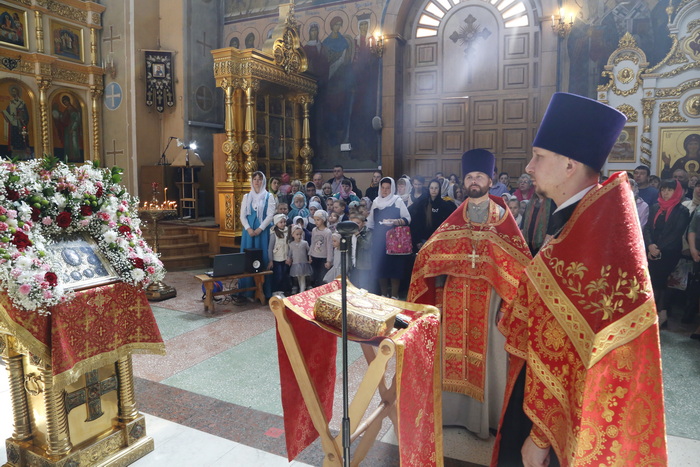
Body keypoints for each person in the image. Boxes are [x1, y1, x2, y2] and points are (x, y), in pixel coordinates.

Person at [494, 92, 667, 466]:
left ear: (570, 166)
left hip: (558, 425)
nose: (529, 165)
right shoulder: (582, 224)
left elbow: (575, 352)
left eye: (539, 157)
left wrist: (540, 438)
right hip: (544, 402)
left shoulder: (594, 240)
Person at [408, 149, 531, 440]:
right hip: (454, 295)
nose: (474, 181)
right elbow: (431, 252)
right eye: (470, 177)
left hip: (489, 299)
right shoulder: (455, 216)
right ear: (464, 181)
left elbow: (521, 262)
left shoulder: (502, 217)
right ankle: (451, 413)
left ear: (490, 180)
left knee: (487, 353)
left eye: (479, 176)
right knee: (451, 352)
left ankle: (484, 418)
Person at [644, 179, 690, 326]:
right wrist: (650, 245)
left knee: (659, 280)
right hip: (652, 250)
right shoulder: (655, 207)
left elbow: (676, 233)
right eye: (663, 189)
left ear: (676, 192)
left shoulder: (682, 210)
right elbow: (648, 229)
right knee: (654, 282)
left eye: (669, 190)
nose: (665, 193)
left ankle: (657, 314)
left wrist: (658, 249)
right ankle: (659, 313)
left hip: (670, 252)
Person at [366, 177, 411, 299]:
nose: (385, 191)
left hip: (395, 241)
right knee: (381, 268)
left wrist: (394, 222)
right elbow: (370, 223)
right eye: (383, 188)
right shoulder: (375, 202)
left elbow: (408, 219)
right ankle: (383, 294)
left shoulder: (397, 201)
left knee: (394, 268)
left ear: (392, 189)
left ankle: (394, 295)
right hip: (379, 240)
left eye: (388, 188)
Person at [239, 171, 276, 298]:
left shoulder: (269, 196)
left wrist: (260, 229)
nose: (257, 181)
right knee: (248, 260)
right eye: (255, 179)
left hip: (262, 232)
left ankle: (263, 290)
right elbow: (242, 216)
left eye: (260, 179)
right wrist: (248, 228)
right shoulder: (246, 197)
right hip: (249, 233)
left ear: (263, 181)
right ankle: (247, 290)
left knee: (262, 258)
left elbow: (270, 215)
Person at [409, 178, 456, 252]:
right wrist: (417, 240)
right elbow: (415, 222)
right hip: (423, 240)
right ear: (429, 189)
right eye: (432, 188)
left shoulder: (445, 205)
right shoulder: (422, 203)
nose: (434, 190)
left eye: (436, 188)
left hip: (439, 241)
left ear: (439, 189)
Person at [2, 85, 30, 158]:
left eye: (15, 91)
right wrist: (5, 113)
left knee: (21, 138)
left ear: (18, 92)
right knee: (14, 138)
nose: (14, 93)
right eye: (12, 92)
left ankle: (23, 155)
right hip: (13, 123)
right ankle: (14, 155)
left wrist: (21, 117)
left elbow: (26, 115)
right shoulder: (11, 103)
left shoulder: (22, 103)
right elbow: (8, 112)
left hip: (20, 124)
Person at [348, 212, 373, 291]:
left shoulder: (368, 232)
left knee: (363, 285)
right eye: (353, 223)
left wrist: (358, 235)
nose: (355, 225)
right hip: (353, 263)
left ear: (363, 223)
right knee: (353, 285)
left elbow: (366, 246)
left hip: (363, 264)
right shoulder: (349, 233)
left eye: (358, 223)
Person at [309, 209, 333, 286]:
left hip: (323, 258)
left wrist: (329, 260)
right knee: (314, 276)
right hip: (314, 256)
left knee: (322, 277)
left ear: (323, 220)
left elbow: (329, 246)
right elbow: (312, 243)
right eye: (315, 220)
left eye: (318, 220)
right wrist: (310, 254)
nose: (316, 222)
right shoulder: (314, 230)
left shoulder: (327, 232)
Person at [268, 214, 291, 295]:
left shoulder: (288, 232)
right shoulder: (274, 233)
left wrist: (289, 257)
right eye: (281, 222)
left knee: (284, 275)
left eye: (284, 222)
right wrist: (270, 260)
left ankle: (282, 290)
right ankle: (275, 291)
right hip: (276, 259)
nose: (283, 224)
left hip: (285, 259)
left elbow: (289, 246)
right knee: (278, 275)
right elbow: (270, 248)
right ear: (276, 223)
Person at [287, 225, 313, 294]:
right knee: (298, 278)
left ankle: (302, 291)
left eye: (300, 234)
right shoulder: (291, 244)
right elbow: (290, 253)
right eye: (297, 234)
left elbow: (309, 251)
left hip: (303, 263)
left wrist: (310, 257)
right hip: (296, 264)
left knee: (303, 278)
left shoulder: (304, 243)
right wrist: (289, 259)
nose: (299, 236)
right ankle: (301, 290)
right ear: (293, 235)